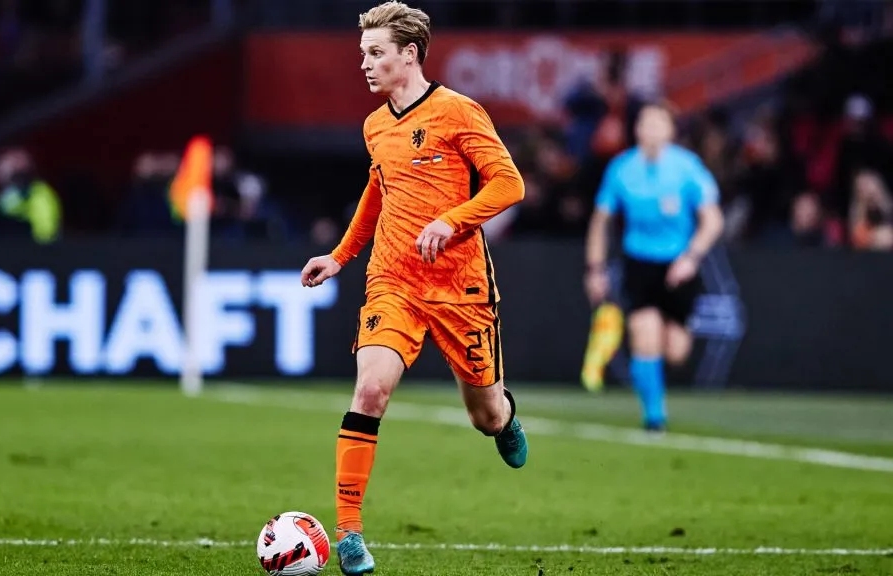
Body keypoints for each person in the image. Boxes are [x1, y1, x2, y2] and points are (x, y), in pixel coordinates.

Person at [299, 2, 528, 574]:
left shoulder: (458, 112)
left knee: (485, 416)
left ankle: (505, 415)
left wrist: (453, 220)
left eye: (376, 53)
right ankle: (348, 533)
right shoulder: (376, 126)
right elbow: (377, 195)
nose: (366, 64)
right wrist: (340, 256)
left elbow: (510, 183)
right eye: (362, 54)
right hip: (393, 281)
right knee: (370, 390)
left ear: (410, 54)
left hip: (460, 287)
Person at [582, 102, 724, 432]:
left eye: (659, 123)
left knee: (675, 350)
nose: (651, 130)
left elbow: (713, 219)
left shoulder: (688, 168)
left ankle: (651, 375)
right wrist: (595, 268)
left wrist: (691, 258)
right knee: (645, 335)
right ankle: (654, 416)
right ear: (637, 130)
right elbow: (600, 222)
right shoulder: (621, 169)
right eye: (645, 123)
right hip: (639, 264)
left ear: (671, 130)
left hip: (678, 266)